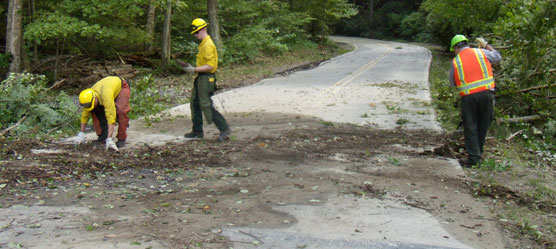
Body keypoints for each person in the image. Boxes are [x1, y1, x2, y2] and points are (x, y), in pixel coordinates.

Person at [449, 34, 502, 167]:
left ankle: (474, 159)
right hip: (487, 94)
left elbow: (453, 83)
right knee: (483, 124)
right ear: (467, 44)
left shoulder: (456, 61)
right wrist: (485, 45)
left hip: (468, 97)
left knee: (470, 126)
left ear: (456, 48)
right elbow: (497, 57)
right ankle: (477, 155)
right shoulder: (481, 52)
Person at [177, 18, 231, 142]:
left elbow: (210, 66)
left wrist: (194, 69)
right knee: (195, 103)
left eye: (197, 32)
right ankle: (197, 131)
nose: (195, 35)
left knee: (206, 105)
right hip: (201, 78)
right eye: (194, 33)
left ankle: (224, 128)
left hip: (207, 78)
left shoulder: (207, 45)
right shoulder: (203, 44)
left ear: (203, 29)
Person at [75, 76, 131, 151]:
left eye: (90, 105)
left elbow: (111, 117)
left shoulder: (106, 96)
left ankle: (121, 137)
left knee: (121, 111)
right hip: (106, 89)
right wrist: (81, 134)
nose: (89, 107)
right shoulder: (88, 98)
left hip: (121, 87)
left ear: (94, 99)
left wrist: (110, 139)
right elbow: (84, 116)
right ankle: (103, 136)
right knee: (94, 110)